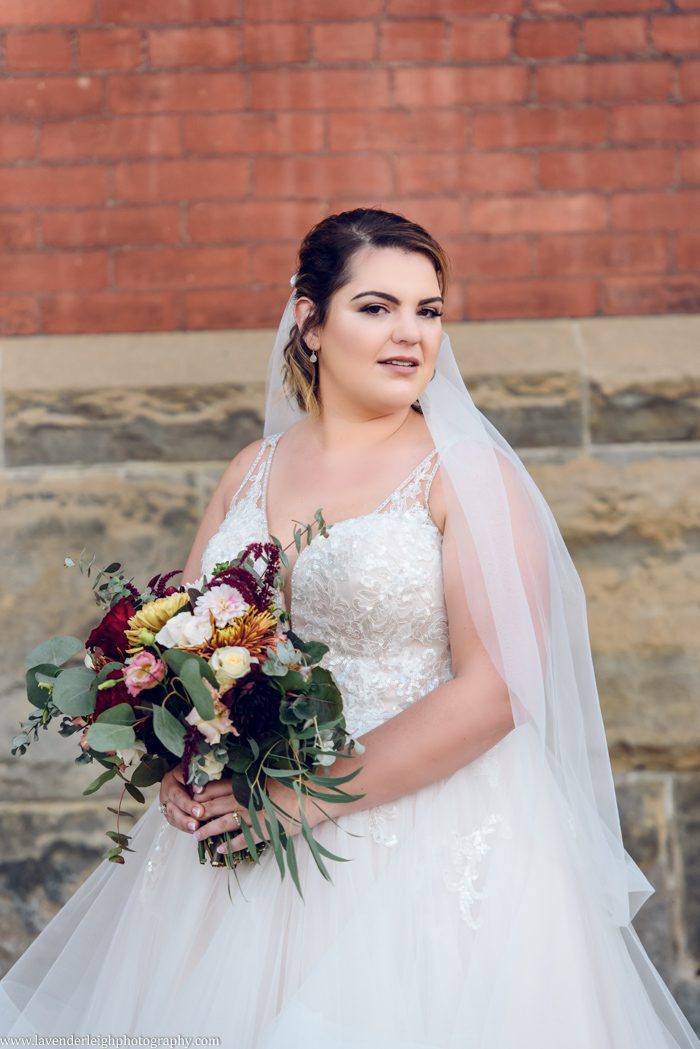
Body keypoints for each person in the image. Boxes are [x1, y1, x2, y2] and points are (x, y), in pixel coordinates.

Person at [1, 207, 698, 1049]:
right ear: (310, 323)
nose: (411, 334)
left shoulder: (467, 476)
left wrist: (295, 804)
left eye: (428, 310)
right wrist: (178, 765)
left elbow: (500, 688)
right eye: (377, 307)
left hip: (428, 841)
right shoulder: (248, 471)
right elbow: (178, 652)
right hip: (241, 842)